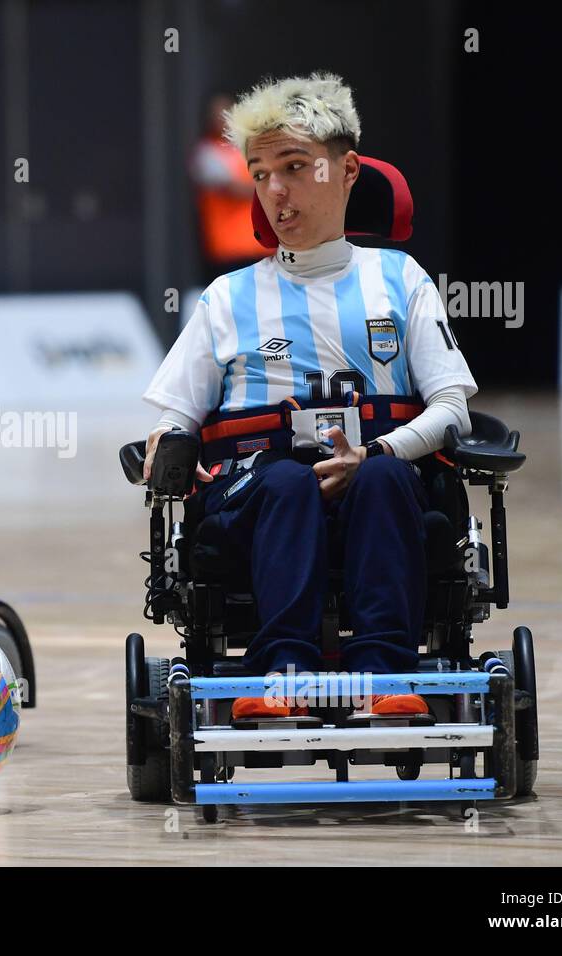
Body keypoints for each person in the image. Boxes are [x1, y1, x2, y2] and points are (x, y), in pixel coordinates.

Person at [141, 74, 477, 718]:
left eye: (294, 168)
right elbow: (175, 417)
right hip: (257, 495)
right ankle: (282, 674)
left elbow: (451, 411)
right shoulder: (227, 297)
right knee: (287, 484)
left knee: (381, 479)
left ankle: (384, 675)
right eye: (260, 172)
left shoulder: (398, 279)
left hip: (381, 485)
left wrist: (375, 451)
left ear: (347, 171)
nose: (274, 190)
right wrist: (169, 440)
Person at [190, 90, 270, 284]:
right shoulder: (207, 153)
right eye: (217, 114)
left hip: (261, 246)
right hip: (229, 249)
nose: (223, 119)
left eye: (227, 112)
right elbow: (237, 189)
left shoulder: (247, 147)